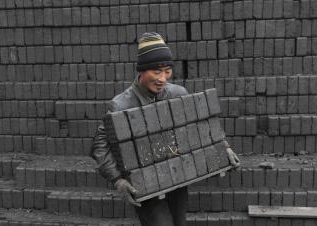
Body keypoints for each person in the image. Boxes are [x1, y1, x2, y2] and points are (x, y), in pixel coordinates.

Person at [91, 32, 240, 226]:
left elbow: (201, 126)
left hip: (178, 177)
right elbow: (99, 147)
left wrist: (224, 148)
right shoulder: (121, 105)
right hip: (145, 184)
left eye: (167, 70)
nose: (163, 78)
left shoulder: (178, 94)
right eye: (156, 71)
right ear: (142, 71)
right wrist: (118, 180)